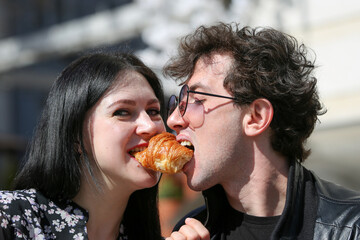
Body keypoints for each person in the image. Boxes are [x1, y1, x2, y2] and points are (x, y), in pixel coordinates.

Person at [165, 22, 360, 239]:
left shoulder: (351, 227)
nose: (173, 119)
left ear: (256, 117)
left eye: (197, 100)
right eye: (178, 103)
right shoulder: (191, 230)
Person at [0, 52, 209, 240]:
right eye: (122, 112)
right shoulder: (10, 218)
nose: (149, 126)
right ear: (74, 136)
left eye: (153, 111)